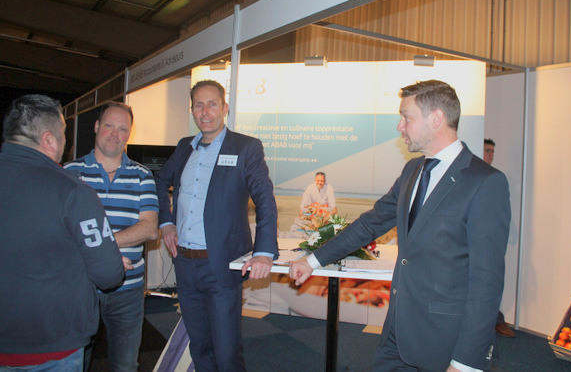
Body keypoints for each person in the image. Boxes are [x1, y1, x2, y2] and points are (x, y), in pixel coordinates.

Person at [290, 80, 511, 371]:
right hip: (396, 335)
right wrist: (313, 260)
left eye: (406, 117)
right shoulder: (412, 170)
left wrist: (465, 362)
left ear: (436, 119)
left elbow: (487, 280)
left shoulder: (485, 182)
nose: (399, 126)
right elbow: (370, 224)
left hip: (444, 344)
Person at [155, 80, 278, 371]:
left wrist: (263, 252)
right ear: (192, 110)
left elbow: (265, 200)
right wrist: (166, 222)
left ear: (225, 108)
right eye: (198, 105)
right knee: (199, 348)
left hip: (221, 264)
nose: (205, 112)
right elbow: (159, 183)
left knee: (226, 353)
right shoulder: (184, 147)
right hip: (185, 264)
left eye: (212, 104)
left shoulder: (246, 147)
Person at [0, 94, 127, 371]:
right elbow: (108, 274)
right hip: (53, 345)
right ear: (49, 140)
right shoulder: (72, 190)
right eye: (63, 134)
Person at [64, 101, 159, 371]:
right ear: (96, 127)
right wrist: (106, 253)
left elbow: (149, 228)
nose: (115, 134)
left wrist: (99, 246)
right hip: (80, 287)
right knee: (75, 363)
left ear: (129, 134)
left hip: (127, 290)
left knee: (125, 364)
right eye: (109, 125)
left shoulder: (142, 175)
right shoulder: (69, 173)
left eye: (122, 128)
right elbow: (60, 230)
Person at [483, 138, 516, 338]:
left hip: (490, 241)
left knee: (491, 284)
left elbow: (503, 212)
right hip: (467, 240)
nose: (491, 155)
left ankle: (496, 321)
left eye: (493, 151)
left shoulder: (496, 178)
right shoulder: (467, 177)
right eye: (487, 150)